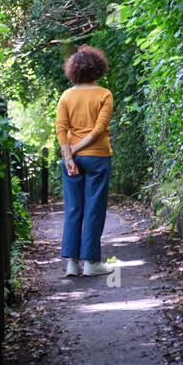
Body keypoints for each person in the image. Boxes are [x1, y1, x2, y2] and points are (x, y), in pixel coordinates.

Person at [55, 44, 114, 276]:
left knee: (73, 208)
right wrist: (77, 149)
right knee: (94, 209)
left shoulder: (66, 96)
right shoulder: (104, 94)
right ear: (98, 68)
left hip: (72, 159)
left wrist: (69, 154)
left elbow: (61, 129)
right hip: (98, 157)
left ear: (73, 70)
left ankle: (72, 263)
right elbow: (99, 130)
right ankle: (91, 263)